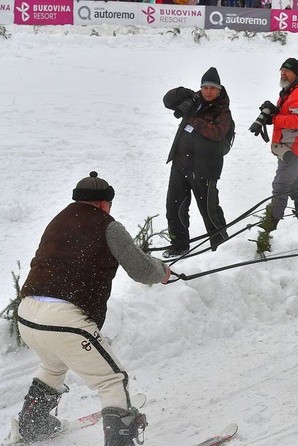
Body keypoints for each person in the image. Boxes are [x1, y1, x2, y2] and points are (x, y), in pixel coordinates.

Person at [14, 171, 171, 446]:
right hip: (65, 320)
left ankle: (32, 425)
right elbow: (142, 270)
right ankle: (120, 442)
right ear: (103, 203)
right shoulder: (107, 225)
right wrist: (163, 272)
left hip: (28, 315)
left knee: (52, 365)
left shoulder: (58, 220)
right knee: (112, 380)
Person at [163, 67, 233, 258]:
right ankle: (179, 245)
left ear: (219, 90)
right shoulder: (193, 101)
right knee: (175, 207)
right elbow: (167, 101)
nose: (208, 91)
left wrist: (194, 120)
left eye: (212, 88)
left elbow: (217, 133)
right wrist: (181, 93)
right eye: (204, 87)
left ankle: (221, 248)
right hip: (180, 164)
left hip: (204, 170)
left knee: (210, 212)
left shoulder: (223, 110)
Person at [251, 58, 298, 231]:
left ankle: (269, 228)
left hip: (292, 148)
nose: (283, 73)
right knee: (296, 187)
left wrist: (274, 118)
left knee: (280, 186)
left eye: (287, 71)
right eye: (281, 70)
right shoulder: (290, 92)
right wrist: (275, 110)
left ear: (296, 73)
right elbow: (291, 114)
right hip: (292, 147)